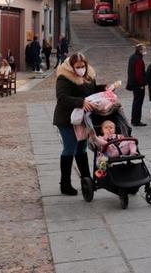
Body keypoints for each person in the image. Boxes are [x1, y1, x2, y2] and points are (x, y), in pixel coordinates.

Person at [53, 52, 100, 195]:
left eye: (83, 66)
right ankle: (65, 184)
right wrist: (81, 102)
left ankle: (87, 180)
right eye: (77, 66)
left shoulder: (89, 75)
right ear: (72, 66)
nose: (80, 69)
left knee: (82, 148)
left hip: (82, 118)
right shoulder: (64, 77)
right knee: (69, 148)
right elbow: (62, 97)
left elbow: (92, 90)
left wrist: (105, 89)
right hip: (66, 119)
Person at [125, 44, 147, 127]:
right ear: (140, 50)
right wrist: (141, 84)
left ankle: (134, 119)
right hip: (138, 85)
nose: (145, 50)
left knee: (136, 102)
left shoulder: (132, 57)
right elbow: (138, 74)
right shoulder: (138, 59)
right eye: (144, 49)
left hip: (134, 84)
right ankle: (136, 120)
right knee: (138, 102)